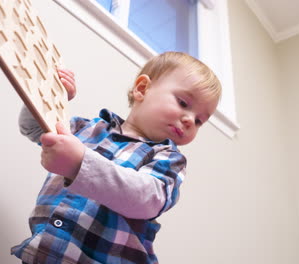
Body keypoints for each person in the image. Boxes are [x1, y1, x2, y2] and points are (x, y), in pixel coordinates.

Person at [11, 51, 222, 264]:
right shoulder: (85, 128)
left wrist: (79, 164)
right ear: (142, 89)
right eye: (183, 103)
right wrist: (51, 95)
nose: (189, 120)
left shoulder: (169, 159)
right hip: (43, 254)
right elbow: (33, 129)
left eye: (199, 121)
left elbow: (146, 199)